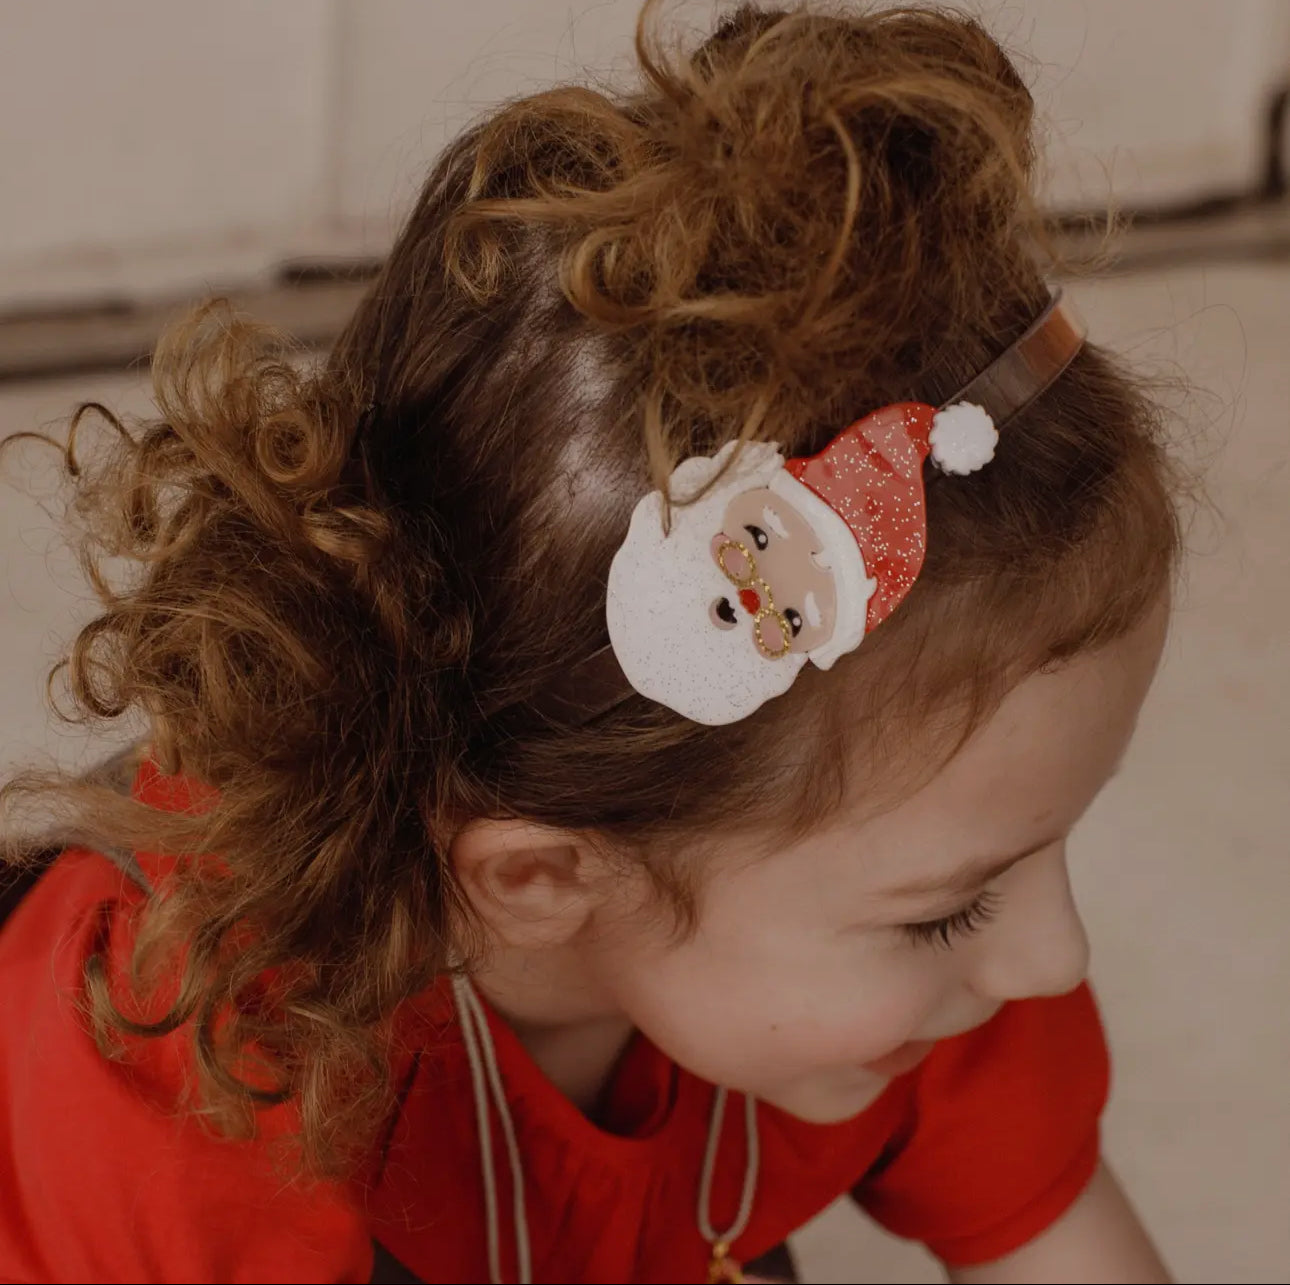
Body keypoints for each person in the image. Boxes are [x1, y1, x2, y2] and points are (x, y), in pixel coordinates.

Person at [0, 4, 1182, 1282]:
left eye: (1050, 842)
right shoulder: (178, 1077)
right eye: (952, 912)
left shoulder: (919, 920)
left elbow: (1058, 1237)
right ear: (544, 878)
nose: (1053, 955)